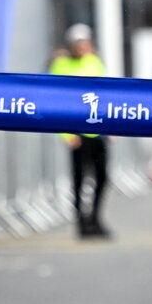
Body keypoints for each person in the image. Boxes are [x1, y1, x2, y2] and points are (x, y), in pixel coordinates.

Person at [49, 24, 111, 239]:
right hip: (76, 132)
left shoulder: (94, 62)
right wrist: (66, 133)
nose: (83, 47)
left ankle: (95, 218)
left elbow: (105, 94)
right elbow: (55, 100)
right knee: (79, 180)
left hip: (98, 131)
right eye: (79, 43)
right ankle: (81, 223)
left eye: (85, 43)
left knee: (102, 178)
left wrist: (112, 125)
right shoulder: (61, 65)